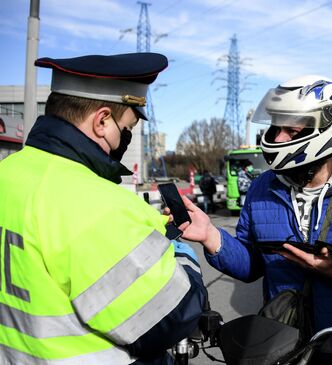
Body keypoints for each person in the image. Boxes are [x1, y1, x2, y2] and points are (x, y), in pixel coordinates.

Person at [0, 53, 207, 364]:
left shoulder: (9, 172)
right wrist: (179, 253)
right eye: (128, 126)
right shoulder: (98, 204)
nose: (127, 136)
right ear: (102, 121)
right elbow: (174, 315)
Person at [179, 75, 332, 332]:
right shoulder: (263, 186)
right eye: (275, 127)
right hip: (284, 340)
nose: (279, 139)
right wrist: (212, 237)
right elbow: (253, 264)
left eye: (291, 130)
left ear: (329, 128)